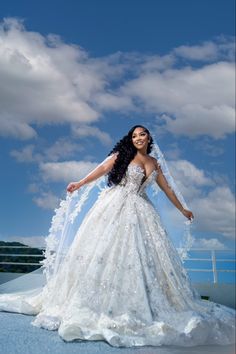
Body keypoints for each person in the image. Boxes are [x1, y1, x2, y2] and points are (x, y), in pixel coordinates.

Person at [0, 125, 235, 348]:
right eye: (134, 136)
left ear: (149, 138)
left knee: (142, 255)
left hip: (143, 210)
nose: (138, 138)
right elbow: (102, 169)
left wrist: (183, 209)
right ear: (130, 140)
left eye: (142, 135)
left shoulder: (155, 163)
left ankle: (140, 304)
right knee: (105, 249)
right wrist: (80, 183)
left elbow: (167, 189)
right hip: (116, 205)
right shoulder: (122, 155)